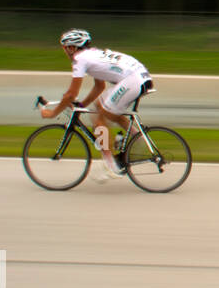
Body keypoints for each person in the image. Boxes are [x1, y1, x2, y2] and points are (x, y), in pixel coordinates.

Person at [41, 29, 154, 179]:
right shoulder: (92, 55)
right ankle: (137, 138)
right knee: (102, 108)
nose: (64, 51)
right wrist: (80, 105)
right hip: (138, 77)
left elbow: (70, 94)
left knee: (98, 119)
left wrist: (52, 113)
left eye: (65, 47)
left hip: (133, 80)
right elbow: (99, 87)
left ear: (72, 47)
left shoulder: (80, 59)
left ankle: (110, 165)